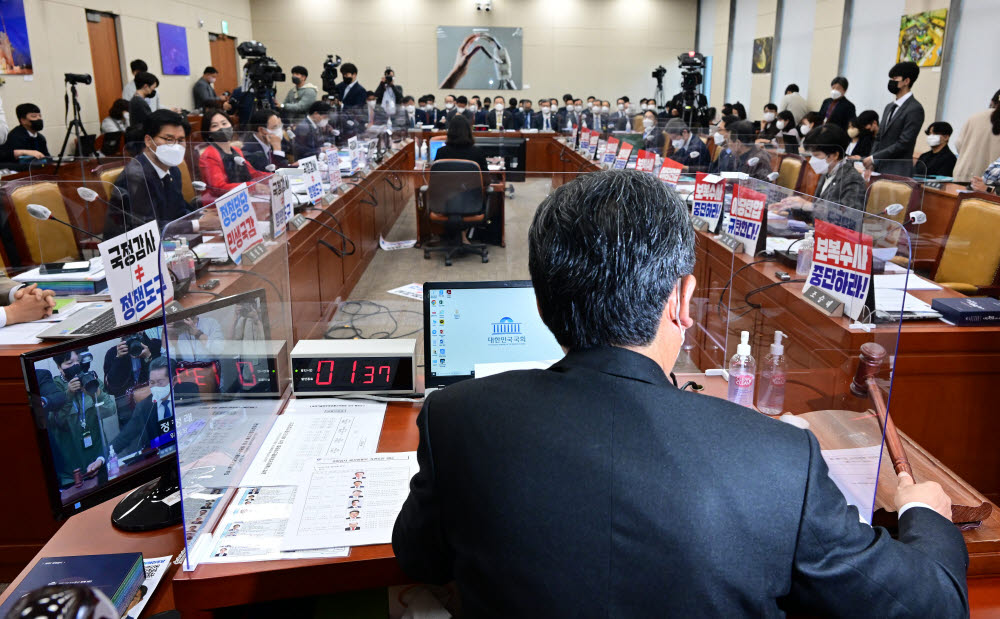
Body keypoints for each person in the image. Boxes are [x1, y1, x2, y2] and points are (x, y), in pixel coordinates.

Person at [394, 169, 967, 616]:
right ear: (683, 301)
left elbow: (419, 556)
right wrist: (925, 514)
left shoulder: (456, 420)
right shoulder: (779, 460)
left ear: (542, 305)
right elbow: (931, 605)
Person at [106, 110, 214, 240]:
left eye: (180, 140)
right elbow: (146, 228)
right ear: (148, 141)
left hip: (170, 242)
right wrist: (197, 224)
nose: (175, 146)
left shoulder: (173, 170)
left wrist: (202, 216)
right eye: (169, 139)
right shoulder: (135, 177)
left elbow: (178, 212)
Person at [49, 350, 116, 489]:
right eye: (69, 363)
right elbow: (56, 422)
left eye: (78, 361)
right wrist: (68, 394)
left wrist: (94, 393)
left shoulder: (91, 379)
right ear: (59, 367)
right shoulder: (53, 389)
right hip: (72, 473)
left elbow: (110, 410)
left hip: (99, 460)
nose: (76, 365)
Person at [112, 357, 183, 456]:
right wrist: (101, 458)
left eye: (160, 382)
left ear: (173, 380)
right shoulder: (144, 407)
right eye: (152, 382)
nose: (155, 387)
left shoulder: (188, 392)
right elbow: (125, 436)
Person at [865, 61, 925, 176]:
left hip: (898, 171)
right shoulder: (889, 107)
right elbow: (879, 138)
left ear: (906, 81)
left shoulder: (915, 109)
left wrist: (874, 157)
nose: (891, 82)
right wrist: (872, 161)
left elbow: (904, 143)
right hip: (879, 168)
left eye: (895, 78)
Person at [787, 124, 866, 211]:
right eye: (811, 155)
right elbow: (815, 212)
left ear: (835, 155)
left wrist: (808, 206)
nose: (812, 160)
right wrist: (791, 206)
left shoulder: (853, 179)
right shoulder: (827, 172)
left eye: (816, 155)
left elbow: (848, 217)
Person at [198, 111, 270, 203]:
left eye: (224, 123)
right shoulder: (209, 155)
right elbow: (218, 187)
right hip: (219, 206)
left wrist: (273, 177)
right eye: (215, 126)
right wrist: (252, 186)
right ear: (208, 133)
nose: (222, 128)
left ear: (231, 126)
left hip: (242, 199)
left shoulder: (236, 150)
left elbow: (252, 172)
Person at [102, 331, 161, 422]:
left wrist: (148, 357)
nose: (133, 337)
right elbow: (111, 388)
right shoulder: (112, 353)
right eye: (128, 335)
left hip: (153, 404)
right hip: (127, 412)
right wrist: (119, 359)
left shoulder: (154, 346)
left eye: (137, 332)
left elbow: (163, 378)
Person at [952, 89, 1000, 183]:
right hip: (989, 184)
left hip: (963, 175)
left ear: (992, 102)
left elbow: (959, 145)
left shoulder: (975, 117)